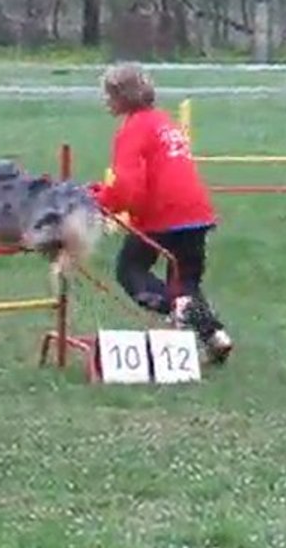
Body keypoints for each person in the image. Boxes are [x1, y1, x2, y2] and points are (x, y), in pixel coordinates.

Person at [88, 63, 233, 364]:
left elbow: (129, 188)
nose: (105, 101)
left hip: (164, 213)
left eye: (108, 95)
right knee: (185, 281)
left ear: (122, 97)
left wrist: (102, 201)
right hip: (196, 212)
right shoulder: (164, 122)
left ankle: (179, 310)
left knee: (130, 269)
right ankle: (215, 336)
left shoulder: (132, 130)